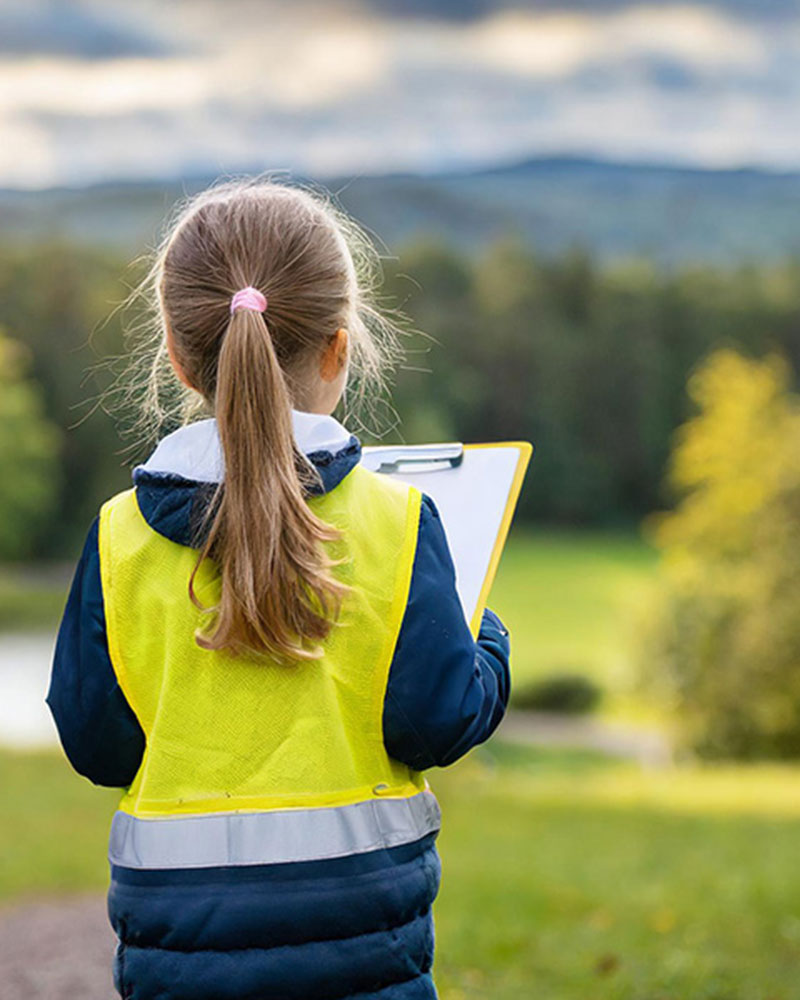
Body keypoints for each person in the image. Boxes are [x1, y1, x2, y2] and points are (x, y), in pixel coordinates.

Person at [46, 177, 511, 1000]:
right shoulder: (399, 520)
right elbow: (437, 718)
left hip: (177, 952)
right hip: (363, 955)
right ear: (339, 349)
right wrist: (488, 639)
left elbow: (98, 743)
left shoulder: (119, 536)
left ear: (179, 351)